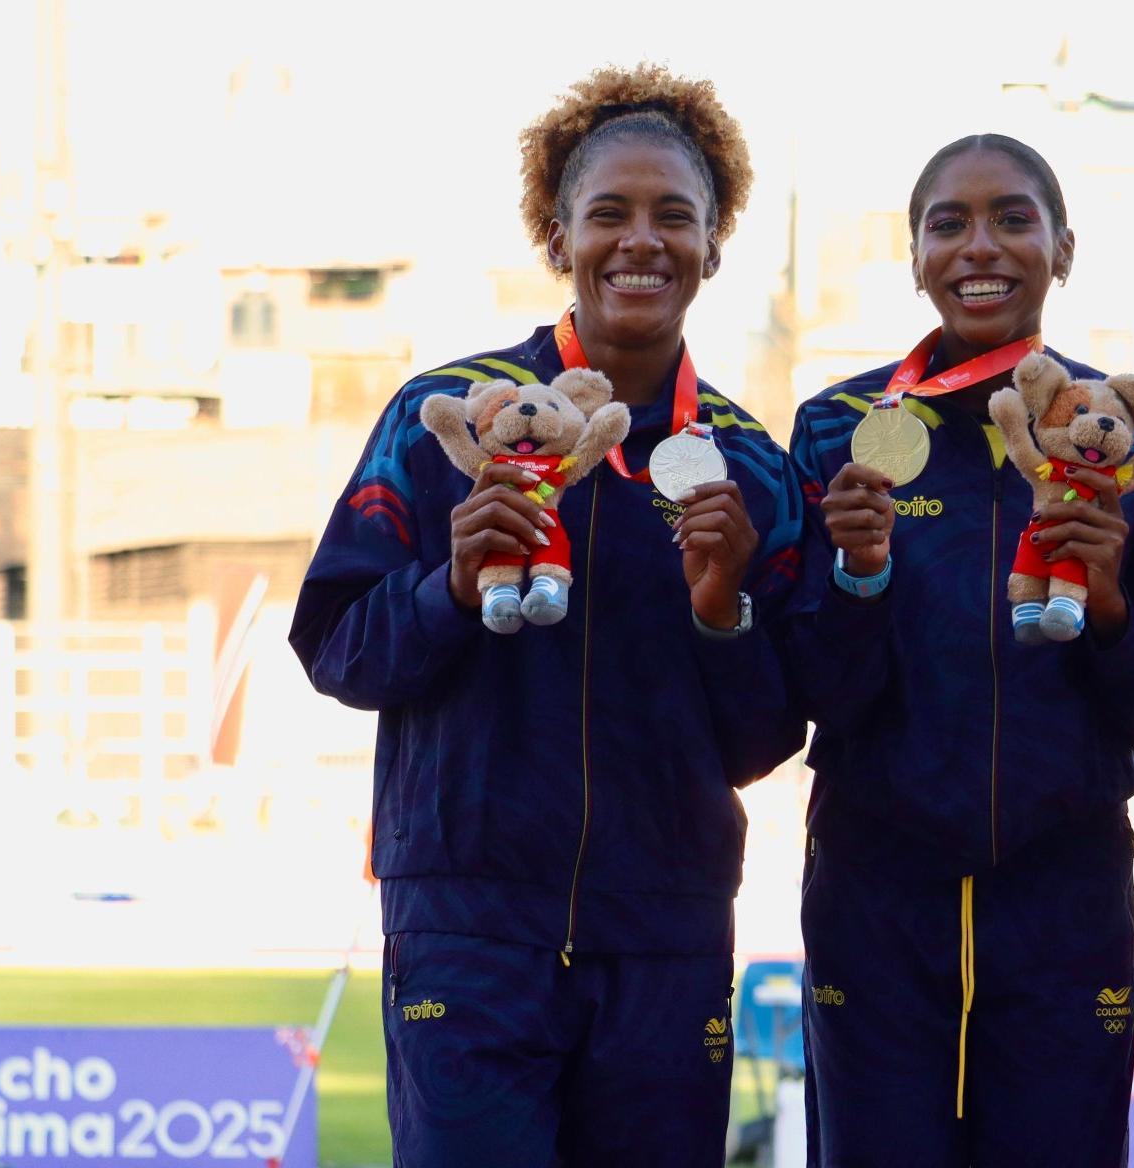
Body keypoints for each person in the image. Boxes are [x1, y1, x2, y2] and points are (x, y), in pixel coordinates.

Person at [287, 64, 802, 1167]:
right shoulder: (440, 421)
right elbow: (334, 645)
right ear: (558, 236)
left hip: (664, 939)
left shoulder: (751, 466)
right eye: (609, 212)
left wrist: (722, 612)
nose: (641, 241)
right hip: (466, 934)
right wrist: (448, 587)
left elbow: (765, 739)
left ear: (713, 245)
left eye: (675, 215)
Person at [786, 133, 1134, 1167]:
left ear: (1063, 248)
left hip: (1064, 887)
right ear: (914, 256)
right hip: (877, 888)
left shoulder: (1124, 432)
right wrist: (860, 576)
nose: (981, 246)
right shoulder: (838, 427)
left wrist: (1109, 600)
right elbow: (814, 686)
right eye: (950, 224)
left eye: (1014, 219)